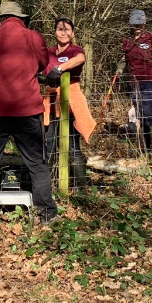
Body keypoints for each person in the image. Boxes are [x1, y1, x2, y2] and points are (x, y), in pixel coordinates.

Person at [0, 0, 59, 225]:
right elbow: (44, 63)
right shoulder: (33, 37)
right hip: (27, 110)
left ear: (0, 19)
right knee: (36, 163)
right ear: (23, 19)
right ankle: (47, 214)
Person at [42, 17, 95, 190]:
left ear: (72, 33)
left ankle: (80, 188)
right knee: (48, 145)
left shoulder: (75, 50)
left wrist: (59, 69)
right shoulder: (49, 52)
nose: (63, 33)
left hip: (70, 105)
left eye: (67, 30)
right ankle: (47, 187)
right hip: (50, 105)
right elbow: (41, 68)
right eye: (59, 29)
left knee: (72, 146)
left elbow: (80, 58)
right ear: (54, 32)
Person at [119, 9, 152, 152]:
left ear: (144, 23)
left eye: (140, 24)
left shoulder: (151, 39)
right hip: (135, 82)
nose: (137, 27)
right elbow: (124, 59)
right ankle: (144, 146)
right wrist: (119, 69)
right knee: (140, 114)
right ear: (131, 25)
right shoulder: (127, 42)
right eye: (135, 24)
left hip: (151, 80)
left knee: (150, 113)